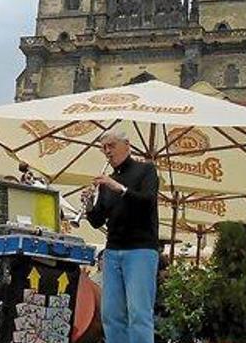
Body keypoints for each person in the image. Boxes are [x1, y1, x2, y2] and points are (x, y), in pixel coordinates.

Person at [84, 128, 158, 343]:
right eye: (104, 148)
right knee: (111, 315)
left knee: (138, 313)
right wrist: (89, 204)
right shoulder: (108, 181)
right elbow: (98, 220)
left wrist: (119, 188)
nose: (107, 151)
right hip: (113, 250)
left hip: (141, 249)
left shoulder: (146, 170)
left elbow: (147, 202)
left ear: (127, 145)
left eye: (111, 145)